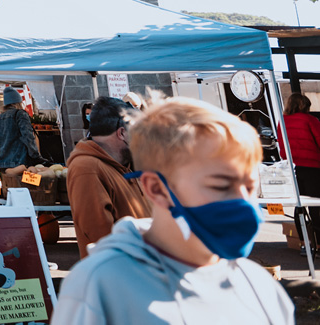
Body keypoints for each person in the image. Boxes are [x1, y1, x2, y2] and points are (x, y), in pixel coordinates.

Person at [52, 97, 293, 325]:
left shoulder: (258, 287)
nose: (241, 201)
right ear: (157, 188)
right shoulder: (97, 288)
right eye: (220, 185)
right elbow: (95, 225)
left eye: (250, 187)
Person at [66, 96, 149, 258]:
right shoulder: (87, 168)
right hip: (122, 269)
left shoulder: (123, 165)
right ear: (122, 133)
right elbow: (100, 234)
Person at [0, 87, 40, 193]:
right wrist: (35, 156)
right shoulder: (20, 114)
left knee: (10, 193)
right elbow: (28, 137)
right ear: (17, 102)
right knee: (29, 192)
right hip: (21, 164)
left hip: (3, 165)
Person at [279, 92, 320, 198]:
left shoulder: (282, 121)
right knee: (315, 198)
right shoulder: (310, 119)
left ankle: (299, 210)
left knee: (298, 198)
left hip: (291, 165)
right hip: (312, 166)